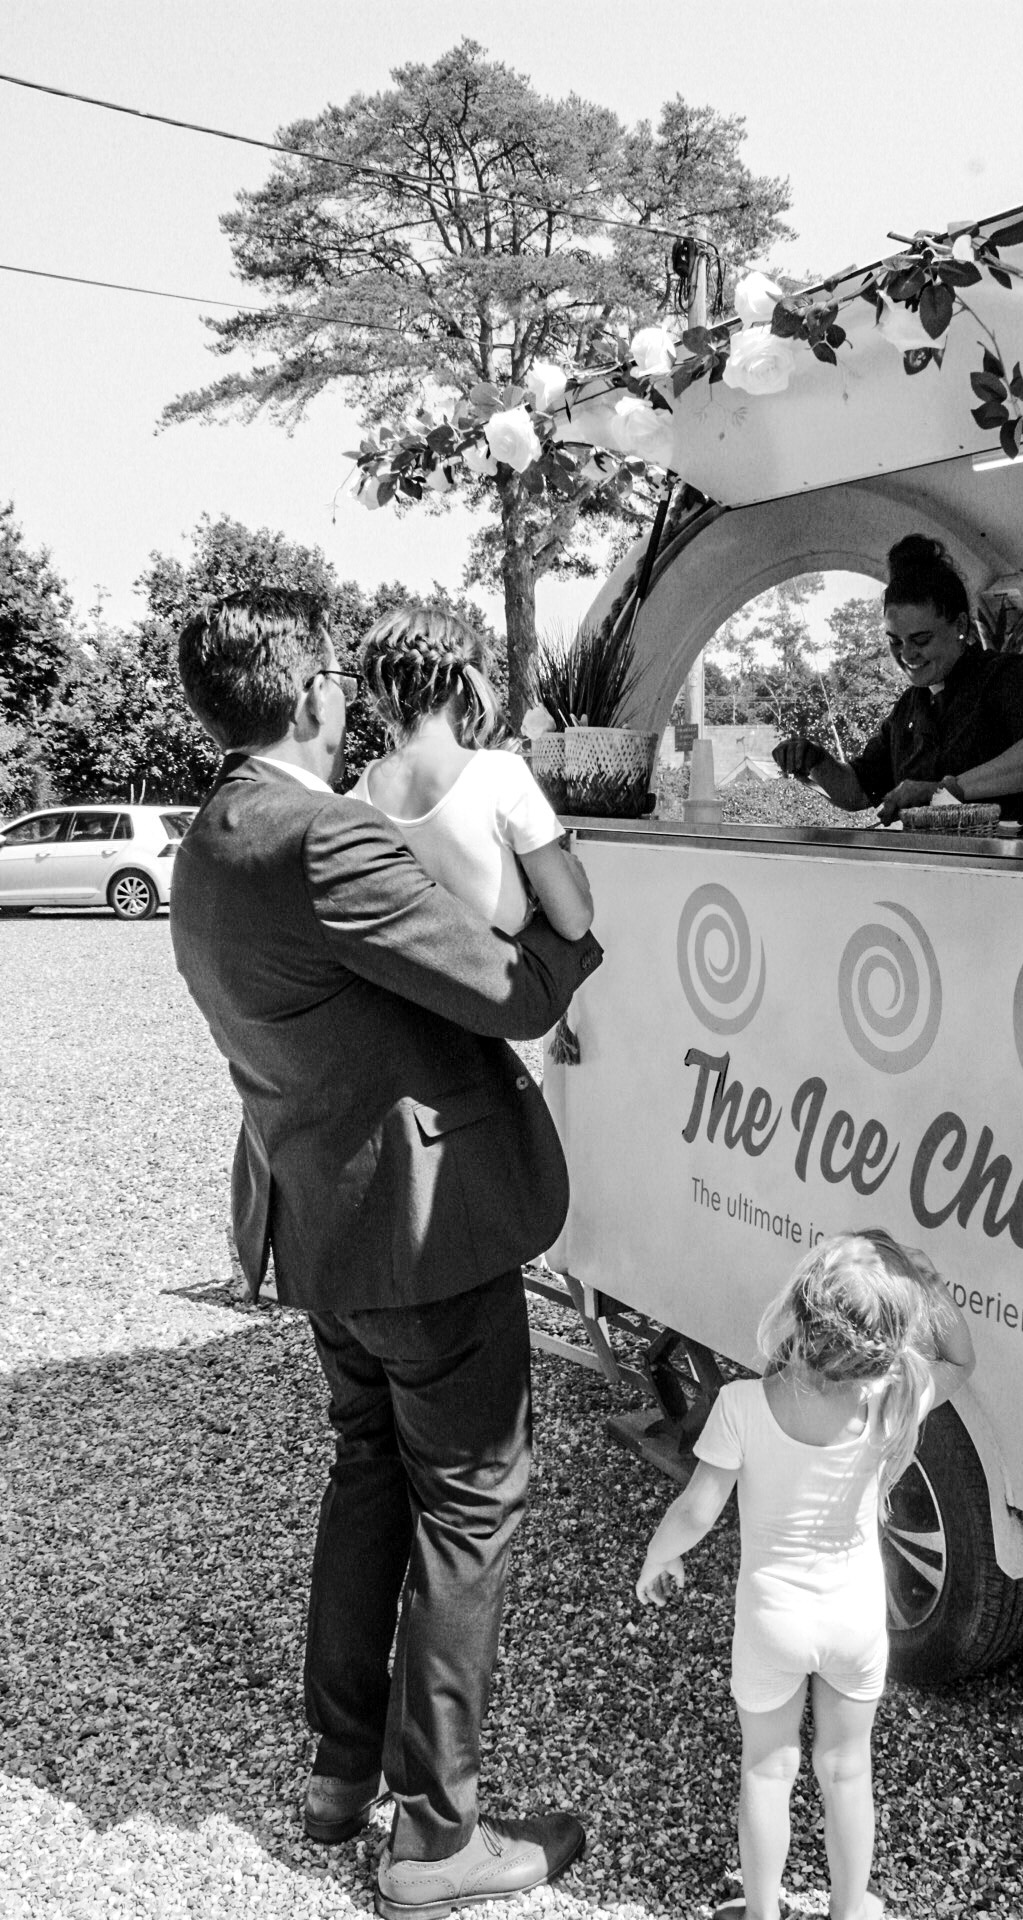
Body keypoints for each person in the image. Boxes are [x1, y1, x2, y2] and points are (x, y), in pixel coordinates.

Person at [169, 591, 602, 1920]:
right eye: (336, 678)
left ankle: (339, 1773)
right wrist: (571, 933)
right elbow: (509, 990)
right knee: (470, 1503)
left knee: (369, 1475)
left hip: (323, 1226)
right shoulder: (327, 839)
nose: (349, 696)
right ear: (311, 695)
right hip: (423, 1232)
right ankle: (433, 1838)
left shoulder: (209, 839)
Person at [636, 1230, 976, 1920]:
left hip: (772, 1621)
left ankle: (763, 1912)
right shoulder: (890, 1401)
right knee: (847, 1771)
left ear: (796, 1312)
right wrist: (932, 1287)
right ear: (888, 1342)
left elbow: (696, 1510)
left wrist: (659, 1556)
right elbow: (960, 1360)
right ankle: (848, 1912)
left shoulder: (741, 1405)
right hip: (855, 1620)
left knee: (767, 1771)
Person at [773, 535, 1023, 835]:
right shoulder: (909, 708)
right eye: (895, 641)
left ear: (959, 626)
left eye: (921, 640)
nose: (906, 654)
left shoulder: (1006, 676)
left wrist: (945, 790)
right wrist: (815, 759)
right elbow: (857, 792)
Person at [350, 603, 592, 939]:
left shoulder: (359, 796)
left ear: (381, 691)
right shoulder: (501, 774)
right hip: (503, 972)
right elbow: (574, 923)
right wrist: (575, 873)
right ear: (465, 684)